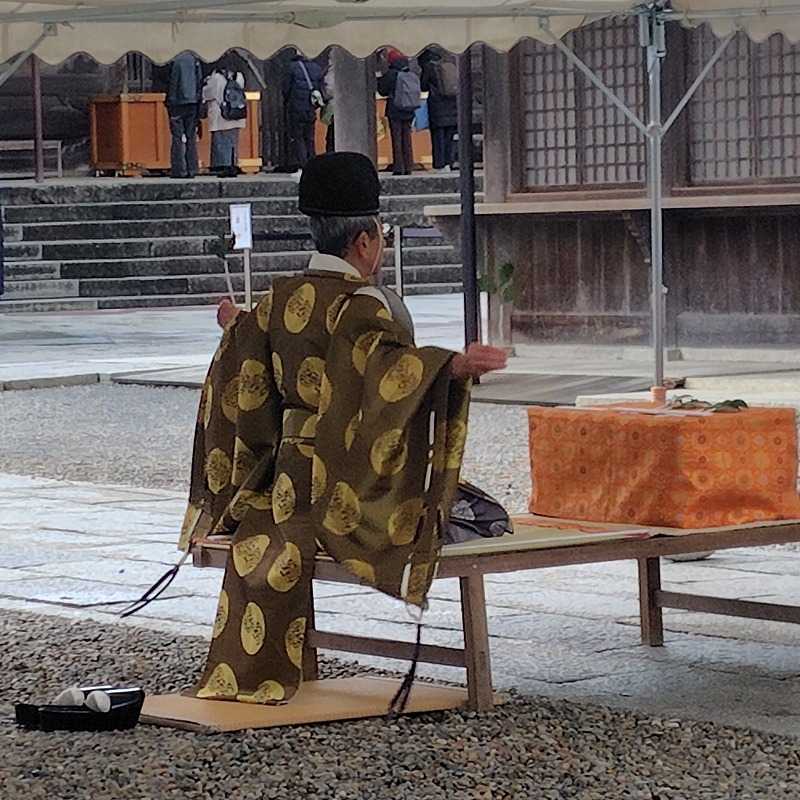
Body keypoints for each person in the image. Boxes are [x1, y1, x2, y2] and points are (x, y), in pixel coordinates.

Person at [179, 152, 507, 705]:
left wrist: (235, 325)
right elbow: (383, 373)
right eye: (380, 236)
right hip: (342, 478)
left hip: (282, 480)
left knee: (268, 553)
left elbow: (249, 364)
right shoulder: (365, 305)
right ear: (364, 241)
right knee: (475, 516)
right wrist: (451, 367)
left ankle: (251, 672)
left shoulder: (280, 296)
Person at [202, 57, 246, 178]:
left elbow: (207, 93)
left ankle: (222, 166)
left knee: (221, 141)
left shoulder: (216, 78)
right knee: (233, 142)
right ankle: (233, 164)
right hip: (235, 113)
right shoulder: (239, 76)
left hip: (221, 114)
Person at [282, 49, 324, 174]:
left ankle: (303, 164)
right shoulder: (317, 68)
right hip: (310, 107)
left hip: (296, 106)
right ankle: (313, 163)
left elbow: (286, 88)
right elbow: (320, 87)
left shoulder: (292, 67)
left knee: (298, 137)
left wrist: (288, 100)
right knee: (309, 137)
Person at [377, 49, 418, 176]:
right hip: (409, 108)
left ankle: (399, 167)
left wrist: (379, 79)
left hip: (395, 108)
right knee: (407, 138)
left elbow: (383, 91)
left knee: (397, 138)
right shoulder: (409, 72)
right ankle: (408, 166)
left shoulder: (391, 74)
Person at [164, 51, 203, 179]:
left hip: (176, 101)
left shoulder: (171, 58)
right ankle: (192, 168)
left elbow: (168, 81)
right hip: (192, 101)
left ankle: (179, 169)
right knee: (191, 135)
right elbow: (199, 80)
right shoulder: (194, 58)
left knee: (177, 136)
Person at [419, 47, 459, 171]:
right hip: (451, 106)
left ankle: (439, 163)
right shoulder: (448, 65)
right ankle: (449, 162)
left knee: (438, 137)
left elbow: (423, 86)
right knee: (449, 136)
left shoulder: (428, 67)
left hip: (437, 105)